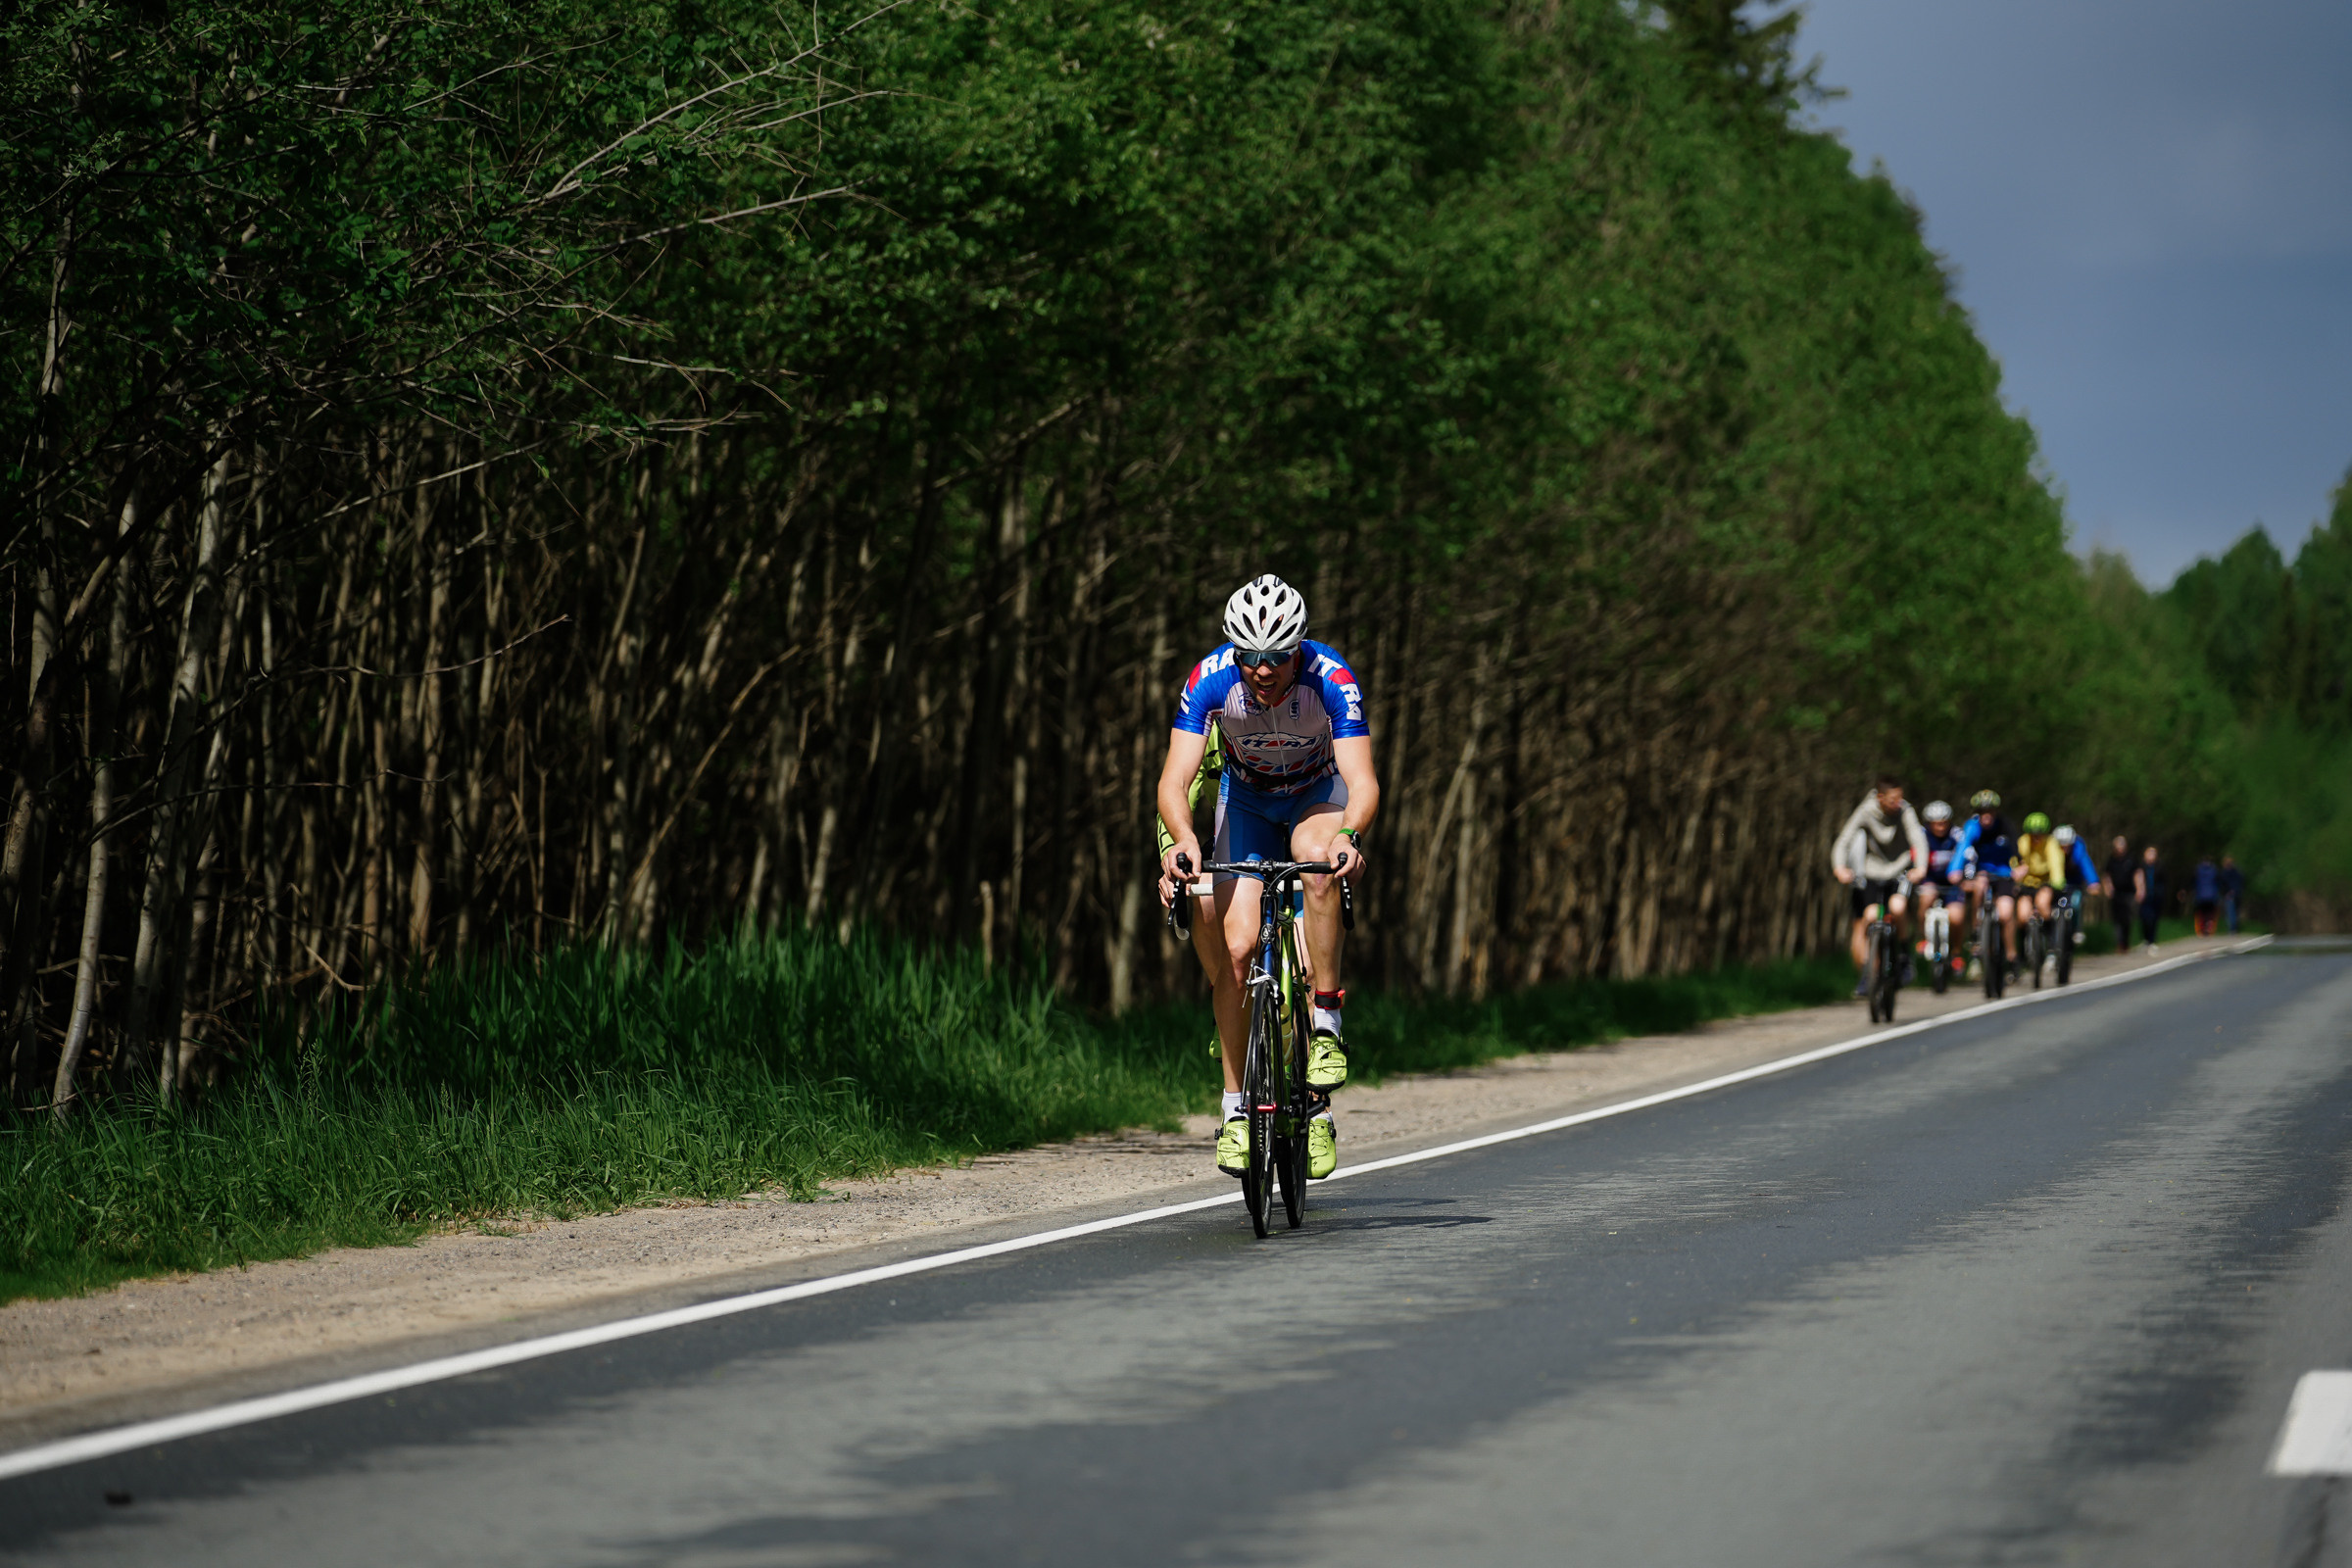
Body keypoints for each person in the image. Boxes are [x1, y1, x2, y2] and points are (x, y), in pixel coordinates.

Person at [1156, 575, 1378, 1183]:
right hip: (1248, 805)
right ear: (1235, 650)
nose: (1263, 670)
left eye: (1277, 657)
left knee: (1317, 859)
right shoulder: (1209, 681)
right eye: (1250, 657)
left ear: (1298, 648)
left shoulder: (1331, 678)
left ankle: (1326, 1026)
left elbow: (1362, 781)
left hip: (1315, 796)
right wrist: (1182, 839)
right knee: (1235, 951)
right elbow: (1174, 781)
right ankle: (1234, 1111)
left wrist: (1349, 836)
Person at [1831, 776, 1928, 998]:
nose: (1898, 803)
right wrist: (1839, 868)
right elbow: (1844, 841)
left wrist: (1920, 867)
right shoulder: (1866, 810)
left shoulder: (1905, 811)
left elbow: (1918, 840)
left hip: (1900, 870)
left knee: (1898, 907)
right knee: (1870, 915)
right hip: (1872, 871)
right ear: (1880, 797)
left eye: (1900, 798)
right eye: (1893, 799)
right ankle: (1868, 973)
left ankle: (1904, 957)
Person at [1951, 791, 2022, 978]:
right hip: (1982, 872)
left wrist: (2020, 867)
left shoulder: (2005, 825)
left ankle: (2012, 956)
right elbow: (1962, 848)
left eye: (1989, 811)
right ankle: (1976, 933)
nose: (1986, 816)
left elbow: (2016, 849)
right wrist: (1955, 870)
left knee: (2006, 913)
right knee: (1980, 886)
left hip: (2004, 874)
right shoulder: (1972, 826)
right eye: (1982, 812)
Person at [1916, 800, 1972, 980]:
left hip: (1952, 884)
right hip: (1931, 880)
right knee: (1926, 898)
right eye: (1935, 823)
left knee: (1956, 917)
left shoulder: (1957, 835)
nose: (1940, 827)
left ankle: (1956, 954)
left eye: (1943, 822)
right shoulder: (1922, 835)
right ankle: (1924, 938)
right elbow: (1914, 856)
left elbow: (1969, 856)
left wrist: (1967, 878)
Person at [2053, 824, 2104, 950]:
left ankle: (2077, 929)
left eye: (2067, 845)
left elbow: (2086, 865)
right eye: (2062, 845)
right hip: (2055, 884)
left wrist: (2093, 882)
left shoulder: (2078, 849)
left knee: (2075, 903)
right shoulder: (2051, 851)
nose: (2065, 848)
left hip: (2074, 884)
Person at [2104, 834, 2135, 955]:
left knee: (2127, 919)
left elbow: (2137, 874)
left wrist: (2140, 889)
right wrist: (2108, 888)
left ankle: (2126, 943)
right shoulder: (2111, 860)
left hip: (2128, 893)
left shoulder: (2131, 859)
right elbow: (2106, 875)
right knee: (2116, 920)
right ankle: (2119, 943)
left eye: (2122, 846)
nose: (2120, 848)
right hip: (2116, 893)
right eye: (2118, 846)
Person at [2133, 844, 2165, 955]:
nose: (2151, 855)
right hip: (2144, 896)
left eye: (2153, 853)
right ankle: (2146, 940)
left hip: (2156, 897)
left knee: (2154, 919)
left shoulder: (2160, 866)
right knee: (2144, 919)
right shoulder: (2141, 867)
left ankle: (2152, 941)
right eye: (2149, 853)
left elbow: (2164, 881)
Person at [2191, 855, 2221, 937]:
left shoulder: (2198, 870)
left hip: (2200, 896)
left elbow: (2194, 882)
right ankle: (2209, 927)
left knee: (2201, 913)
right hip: (2211, 896)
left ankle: (2202, 929)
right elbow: (2218, 883)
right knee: (2210, 913)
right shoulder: (2214, 870)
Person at [2221, 855, 2245, 933]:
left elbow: (2222, 884)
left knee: (2231, 912)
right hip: (2238, 893)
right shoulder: (2238, 871)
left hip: (2229, 894)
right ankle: (2235, 928)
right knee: (2235, 911)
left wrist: (2225, 892)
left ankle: (2232, 929)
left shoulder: (2225, 873)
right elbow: (2242, 880)